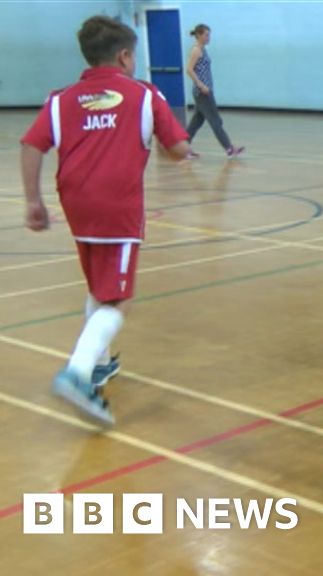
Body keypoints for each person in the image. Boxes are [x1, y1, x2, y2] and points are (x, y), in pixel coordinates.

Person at [20, 15, 190, 427]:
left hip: (76, 203)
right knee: (119, 300)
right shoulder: (145, 94)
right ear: (125, 56)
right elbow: (179, 149)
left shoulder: (60, 99)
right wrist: (166, 139)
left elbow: (31, 144)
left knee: (100, 286)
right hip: (117, 206)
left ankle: (95, 364)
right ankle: (77, 374)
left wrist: (33, 202)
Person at [184, 23, 244, 159]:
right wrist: (201, 85)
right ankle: (229, 149)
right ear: (199, 35)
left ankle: (183, 148)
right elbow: (189, 69)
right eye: (206, 35)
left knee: (196, 123)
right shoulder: (196, 50)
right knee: (215, 121)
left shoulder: (202, 49)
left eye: (209, 35)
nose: (208, 37)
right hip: (203, 93)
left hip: (204, 92)